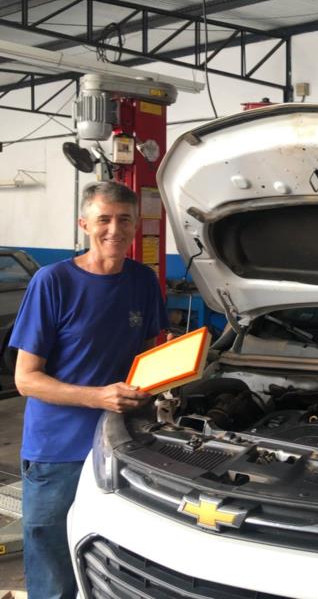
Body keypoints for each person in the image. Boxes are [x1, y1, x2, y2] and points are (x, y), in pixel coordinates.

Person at [11, 181, 168, 599]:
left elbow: (149, 354)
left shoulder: (143, 281)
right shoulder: (52, 282)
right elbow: (25, 379)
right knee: (53, 567)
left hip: (123, 444)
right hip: (57, 450)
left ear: (136, 226)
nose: (114, 229)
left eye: (124, 220)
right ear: (84, 224)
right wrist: (98, 397)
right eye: (104, 219)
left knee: (114, 557)